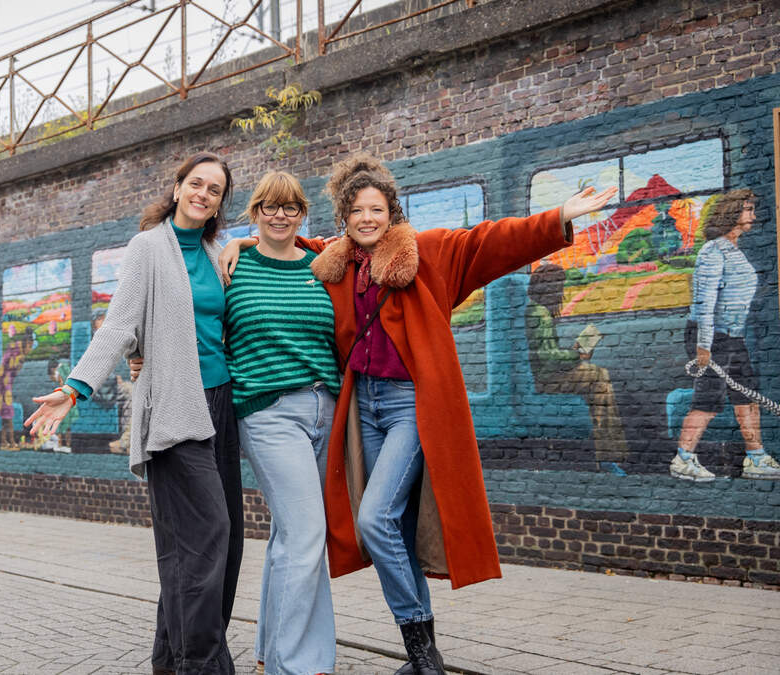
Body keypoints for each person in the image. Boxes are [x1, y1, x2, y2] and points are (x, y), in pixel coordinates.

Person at [224, 154, 617, 674]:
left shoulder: (426, 252)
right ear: (344, 216)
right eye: (357, 210)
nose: (367, 219)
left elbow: (489, 242)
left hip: (411, 404)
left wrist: (558, 216)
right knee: (394, 523)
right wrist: (241, 241)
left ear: (392, 212)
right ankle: (420, 654)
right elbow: (286, 241)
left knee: (374, 517)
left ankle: (420, 651)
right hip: (362, 406)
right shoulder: (334, 262)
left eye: (377, 209)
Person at [25, 152, 241, 674]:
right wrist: (74, 388)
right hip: (173, 408)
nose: (203, 194)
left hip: (220, 407)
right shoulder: (147, 248)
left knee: (213, 544)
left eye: (214, 190)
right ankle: (202, 663)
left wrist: (246, 241)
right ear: (176, 187)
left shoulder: (217, 253)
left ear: (218, 204)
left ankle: (171, 661)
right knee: (209, 534)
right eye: (196, 183)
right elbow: (120, 324)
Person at [222, 171, 340, 675]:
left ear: (302, 214)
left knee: (290, 536)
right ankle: (297, 666)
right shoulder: (232, 263)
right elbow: (182, 307)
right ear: (255, 212)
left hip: (325, 408)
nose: (279, 215)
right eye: (269, 206)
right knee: (308, 531)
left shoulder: (321, 265)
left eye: (290, 207)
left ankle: (272, 653)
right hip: (267, 412)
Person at [672, 190, 779, 480]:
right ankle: (684, 459)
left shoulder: (734, 249)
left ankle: (755, 458)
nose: (753, 216)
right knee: (709, 399)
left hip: (732, 334)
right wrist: (703, 347)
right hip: (711, 335)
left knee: (746, 395)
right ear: (731, 213)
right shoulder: (713, 251)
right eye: (747, 210)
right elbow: (705, 303)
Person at [526, 263, 629, 475]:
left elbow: (546, 353)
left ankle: (609, 456)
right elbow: (547, 358)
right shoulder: (539, 314)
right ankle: (608, 457)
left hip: (544, 375)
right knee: (599, 378)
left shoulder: (535, 311)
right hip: (547, 379)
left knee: (596, 375)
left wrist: (572, 352)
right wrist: (577, 355)